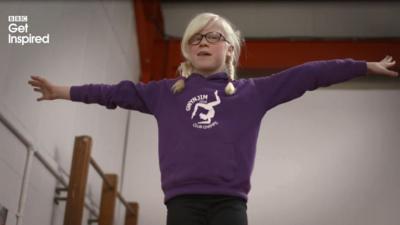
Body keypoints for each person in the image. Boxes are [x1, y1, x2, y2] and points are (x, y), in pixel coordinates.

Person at [28, 12, 398, 225]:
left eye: (214, 37)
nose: (203, 43)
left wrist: (362, 66)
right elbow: (112, 93)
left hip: (230, 206)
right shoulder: (163, 93)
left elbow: (309, 74)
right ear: (188, 49)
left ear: (230, 49)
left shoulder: (254, 93)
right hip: (182, 204)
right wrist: (62, 91)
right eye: (195, 38)